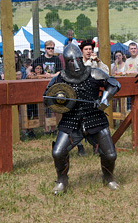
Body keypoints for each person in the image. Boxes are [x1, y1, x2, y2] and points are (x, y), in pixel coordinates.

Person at [43, 44, 121, 194]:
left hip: (95, 118)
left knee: (110, 155)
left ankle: (109, 178)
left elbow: (114, 83)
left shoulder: (94, 73)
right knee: (58, 152)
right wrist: (59, 99)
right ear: (66, 61)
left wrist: (105, 98)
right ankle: (62, 181)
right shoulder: (59, 78)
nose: (76, 63)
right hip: (70, 120)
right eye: (71, 61)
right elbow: (47, 97)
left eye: (78, 59)